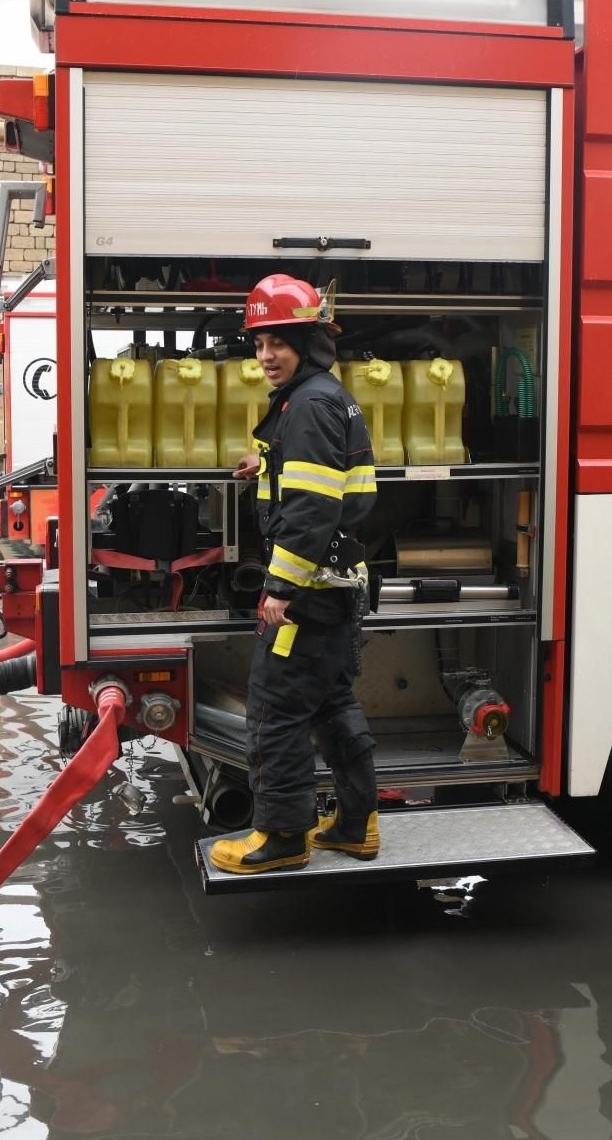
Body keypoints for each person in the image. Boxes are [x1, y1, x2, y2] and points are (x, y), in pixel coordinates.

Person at [208, 274, 381, 875]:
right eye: (258, 344)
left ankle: (282, 836)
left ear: (308, 341)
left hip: (306, 592)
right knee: (331, 703)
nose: (265, 356)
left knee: (274, 709)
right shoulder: (322, 395)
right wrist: (265, 464)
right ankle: (357, 824)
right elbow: (320, 479)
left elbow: (311, 508)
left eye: (277, 342)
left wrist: (279, 587)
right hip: (335, 588)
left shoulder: (308, 404)